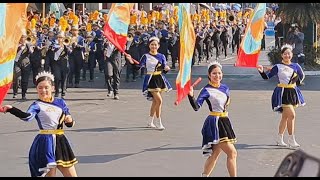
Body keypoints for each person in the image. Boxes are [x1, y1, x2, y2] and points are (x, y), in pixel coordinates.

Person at [0, 71, 78, 177]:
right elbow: (27, 117)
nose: (43, 90)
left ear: (53, 88)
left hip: (61, 141)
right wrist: (11, 109)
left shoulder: (61, 103)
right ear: (36, 89)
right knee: (50, 175)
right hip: (45, 142)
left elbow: (69, 123)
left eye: (46, 87)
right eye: (40, 87)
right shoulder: (36, 105)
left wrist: (69, 120)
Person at [188, 61, 237, 177]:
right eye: (214, 73)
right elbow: (196, 107)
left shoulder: (225, 88)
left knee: (215, 154)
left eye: (219, 73)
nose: (217, 76)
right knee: (233, 153)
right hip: (215, 123)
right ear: (209, 75)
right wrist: (191, 96)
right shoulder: (206, 90)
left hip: (225, 121)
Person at [257, 44, 305, 148]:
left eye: (289, 53)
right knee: (292, 115)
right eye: (285, 54)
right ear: (282, 55)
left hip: (292, 92)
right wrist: (261, 71)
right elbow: (267, 77)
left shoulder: (296, 66)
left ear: (291, 54)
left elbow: (301, 76)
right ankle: (291, 139)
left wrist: (295, 82)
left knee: (285, 117)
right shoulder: (277, 67)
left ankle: (279, 138)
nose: (287, 55)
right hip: (282, 92)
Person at [136, 36, 172, 130]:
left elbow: (164, 67)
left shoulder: (162, 56)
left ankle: (150, 121)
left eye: (155, 45)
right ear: (149, 45)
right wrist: (130, 60)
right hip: (151, 79)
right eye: (152, 44)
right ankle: (159, 122)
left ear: (158, 46)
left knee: (155, 102)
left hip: (160, 79)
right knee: (159, 101)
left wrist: (167, 68)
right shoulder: (145, 56)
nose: (153, 46)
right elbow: (139, 66)